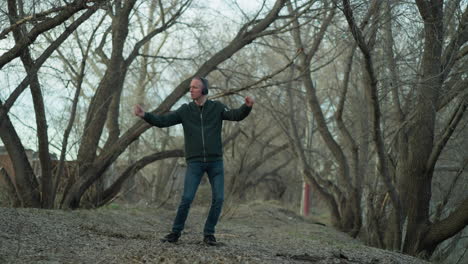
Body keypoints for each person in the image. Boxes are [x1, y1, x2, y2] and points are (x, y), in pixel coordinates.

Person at [133, 77, 254, 246]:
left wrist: (246, 107)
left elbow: (236, 115)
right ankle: (175, 233)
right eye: (190, 87)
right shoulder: (185, 110)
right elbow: (163, 121)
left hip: (215, 163)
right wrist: (144, 115)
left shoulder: (217, 108)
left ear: (204, 90)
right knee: (187, 198)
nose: (191, 90)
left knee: (218, 199)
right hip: (195, 163)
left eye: (195, 87)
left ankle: (209, 234)